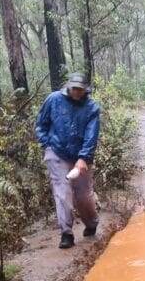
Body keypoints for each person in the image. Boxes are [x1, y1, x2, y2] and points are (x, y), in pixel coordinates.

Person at [36, 72, 100, 249]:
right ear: (68, 86)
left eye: (80, 89)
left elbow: (91, 136)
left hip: (81, 156)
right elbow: (42, 124)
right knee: (62, 192)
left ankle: (91, 223)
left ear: (86, 89)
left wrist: (83, 158)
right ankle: (66, 233)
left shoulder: (92, 108)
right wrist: (46, 144)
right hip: (56, 152)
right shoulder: (53, 100)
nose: (76, 92)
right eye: (74, 88)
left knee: (83, 194)